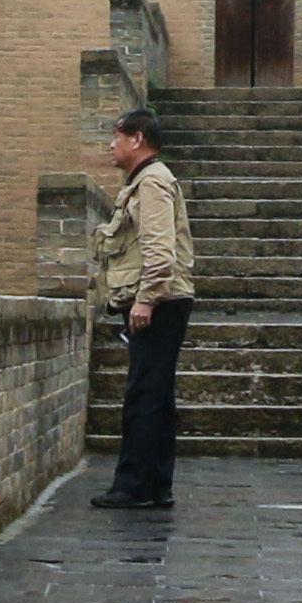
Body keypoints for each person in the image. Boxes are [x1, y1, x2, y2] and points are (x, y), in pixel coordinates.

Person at [91, 108, 195, 508]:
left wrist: (146, 299)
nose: (110, 146)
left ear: (137, 139)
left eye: (116, 137)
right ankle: (154, 486)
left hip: (161, 300)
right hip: (166, 298)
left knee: (144, 396)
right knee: (155, 394)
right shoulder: (149, 180)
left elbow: (159, 250)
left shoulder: (151, 182)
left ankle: (134, 487)